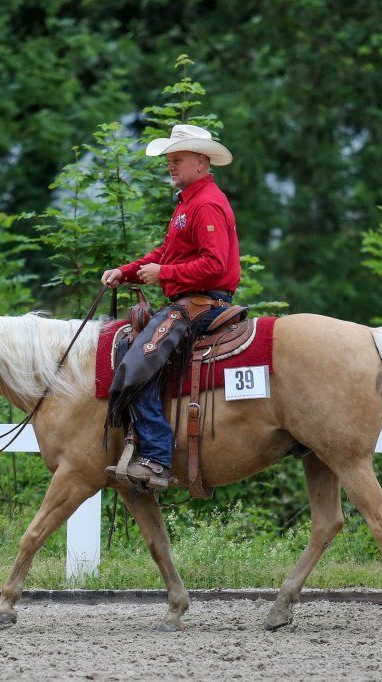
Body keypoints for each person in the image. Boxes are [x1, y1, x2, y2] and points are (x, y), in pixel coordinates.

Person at [101, 124, 240, 490]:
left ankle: (157, 457)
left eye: (177, 159)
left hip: (201, 303)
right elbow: (167, 253)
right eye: (169, 159)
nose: (170, 165)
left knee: (137, 353)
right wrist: (127, 270)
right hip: (188, 301)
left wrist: (163, 272)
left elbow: (215, 265)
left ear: (200, 161)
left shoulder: (206, 203)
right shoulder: (188, 203)